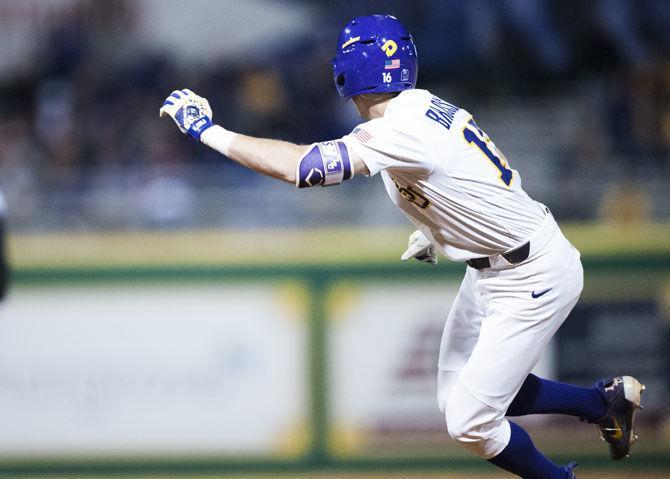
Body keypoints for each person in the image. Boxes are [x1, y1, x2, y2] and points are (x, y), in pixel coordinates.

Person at [160, 14, 644, 479]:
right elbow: (464, 183)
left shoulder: (402, 127)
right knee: (459, 393)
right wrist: (439, 233)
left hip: (531, 273)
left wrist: (210, 132)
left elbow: (302, 168)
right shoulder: (414, 112)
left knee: (470, 420)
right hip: (491, 267)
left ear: (349, 70)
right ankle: (601, 405)